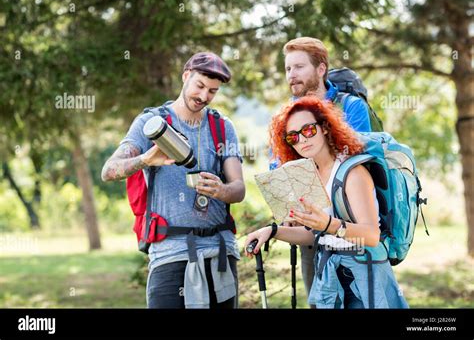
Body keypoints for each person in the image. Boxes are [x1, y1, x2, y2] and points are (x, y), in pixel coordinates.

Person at [101, 52, 245, 308]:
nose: (204, 96)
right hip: (170, 256)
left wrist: (221, 190)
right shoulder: (152, 123)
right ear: (186, 76)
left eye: (212, 91)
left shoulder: (223, 127)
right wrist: (145, 159)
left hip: (220, 254)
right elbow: (109, 171)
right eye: (200, 86)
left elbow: (239, 189)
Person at [246, 96, 408, 308]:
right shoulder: (310, 174)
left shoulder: (352, 173)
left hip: (364, 278)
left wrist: (328, 225)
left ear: (324, 128)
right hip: (331, 277)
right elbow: (315, 235)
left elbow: (371, 235)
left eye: (308, 130)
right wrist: (273, 231)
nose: (302, 140)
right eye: (292, 137)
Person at [275, 37, 374, 304]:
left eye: (298, 67)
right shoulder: (288, 115)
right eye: (287, 69)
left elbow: (356, 161)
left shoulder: (351, 107)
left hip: (351, 230)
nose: (291, 75)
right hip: (310, 230)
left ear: (320, 69)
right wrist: (288, 211)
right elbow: (280, 166)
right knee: (319, 300)